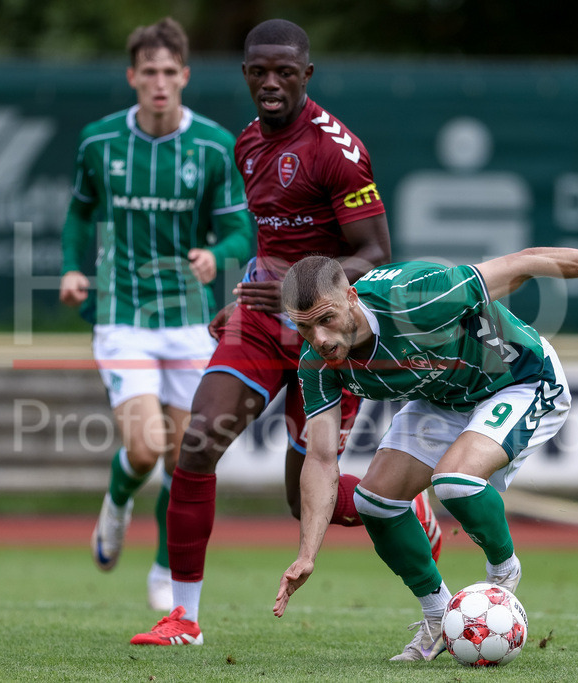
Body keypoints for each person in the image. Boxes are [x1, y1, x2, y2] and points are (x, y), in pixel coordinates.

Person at [130, 18, 439, 646]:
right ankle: (183, 617)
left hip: (331, 339)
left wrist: (303, 284)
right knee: (197, 444)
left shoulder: (336, 150)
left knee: (305, 502)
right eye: (258, 72)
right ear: (246, 73)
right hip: (262, 323)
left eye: (284, 72)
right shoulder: (247, 144)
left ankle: (403, 504)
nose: (270, 83)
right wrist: (245, 292)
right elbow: (272, 241)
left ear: (307, 75)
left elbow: (376, 252)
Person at [271, 247, 578, 661]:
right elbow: (323, 459)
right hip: (443, 397)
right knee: (374, 502)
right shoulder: (316, 363)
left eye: (325, 320)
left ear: (351, 296)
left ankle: (502, 574)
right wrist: (307, 554)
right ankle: (439, 616)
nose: (319, 339)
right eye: (305, 329)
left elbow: (528, 262)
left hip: (521, 379)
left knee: (454, 481)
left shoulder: (419, 297)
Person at [59, 17, 256, 611]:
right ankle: (118, 503)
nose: (160, 82)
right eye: (150, 72)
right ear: (133, 77)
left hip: (188, 320)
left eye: (171, 72)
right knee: (144, 449)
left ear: (185, 76)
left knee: (185, 454)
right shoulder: (100, 141)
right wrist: (73, 268)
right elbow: (78, 213)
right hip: (123, 315)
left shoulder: (214, 145)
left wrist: (214, 254)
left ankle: (166, 567)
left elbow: (239, 229)